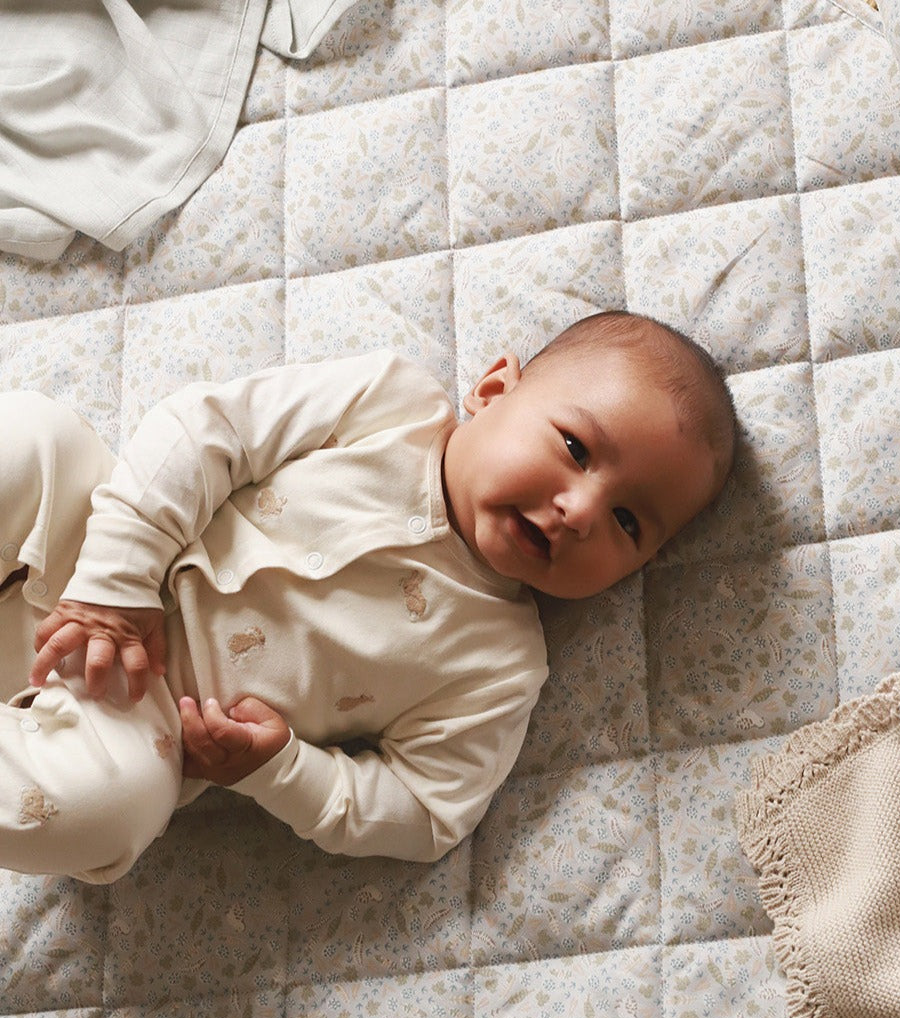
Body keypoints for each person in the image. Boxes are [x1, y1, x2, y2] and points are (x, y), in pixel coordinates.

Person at [0, 310, 736, 883]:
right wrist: (114, 582)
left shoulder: (499, 665)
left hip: (143, 720)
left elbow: (425, 811)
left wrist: (281, 767)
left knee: (114, 811)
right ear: (492, 389)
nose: (580, 509)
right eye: (576, 448)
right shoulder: (390, 404)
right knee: (35, 437)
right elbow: (207, 430)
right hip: (89, 545)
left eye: (628, 521)